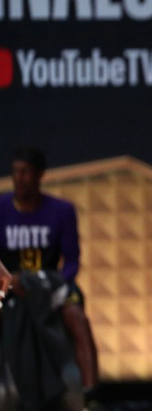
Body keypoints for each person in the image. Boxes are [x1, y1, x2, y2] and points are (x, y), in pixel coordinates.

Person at [0, 146, 100, 408]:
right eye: (15, 172)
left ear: (40, 174)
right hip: (8, 286)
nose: (19, 178)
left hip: (51, 286)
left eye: (26, 172)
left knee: (77, 317)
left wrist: (52, 286)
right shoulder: (1, 208)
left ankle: (91, 398)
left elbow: (72, 261)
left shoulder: (62, 210)